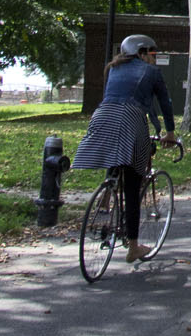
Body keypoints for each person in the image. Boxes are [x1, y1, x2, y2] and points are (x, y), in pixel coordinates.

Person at [72, 34, 177, 262]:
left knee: (116, 154)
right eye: (152, 54)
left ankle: (107, 193)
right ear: (140, 52)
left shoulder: (113, 69)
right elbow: (165, 103)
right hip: (131, 117)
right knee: (132, 182)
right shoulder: (152, 73)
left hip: (102, 115)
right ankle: (133, 247)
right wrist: (169, 132)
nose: (154, 58)